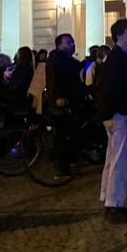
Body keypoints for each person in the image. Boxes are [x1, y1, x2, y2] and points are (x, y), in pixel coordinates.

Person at [97, 19, 127, 224]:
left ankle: (111, 202)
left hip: (120, 115)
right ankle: (114, 205)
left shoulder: (121, 58)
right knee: (121, 162)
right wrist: (121, 111)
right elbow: (111, 91)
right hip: (121, 117)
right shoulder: (117, 60)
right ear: (120, 36)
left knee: (114, 160)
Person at [45, 34, 84, 176]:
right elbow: (53, 79)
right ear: (59, 45)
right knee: (65, 134)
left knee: (66, 133)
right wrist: (57, 97)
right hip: (63, 103)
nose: (72, 44)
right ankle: (63, 165)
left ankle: (67, 161)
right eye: (68, 42)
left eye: (72, 42)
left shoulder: (63, 58)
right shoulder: (57, 59)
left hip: (68, 100)